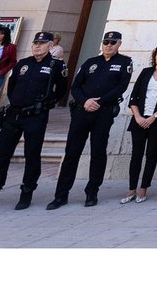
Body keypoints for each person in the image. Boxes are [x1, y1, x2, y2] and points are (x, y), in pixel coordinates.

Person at [0, 31, 68, 212]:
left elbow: (61, 89)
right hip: (14, 115)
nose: (37, 46)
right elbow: (12, 85)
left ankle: (26, 193)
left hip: (36, 116)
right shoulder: (23, 63)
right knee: (1, 155)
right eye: (35, 43)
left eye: (42, 43)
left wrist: (46, 104)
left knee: (32, 155)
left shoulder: (56, 65)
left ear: (50, 46)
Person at [47, 30, 133, 209]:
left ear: (119, 44)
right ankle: (61, 195)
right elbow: (76, 86)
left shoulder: (124, 63)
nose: (109, 45)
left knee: (98, 152)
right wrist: (85, 101)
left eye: (113, 42)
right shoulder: (90, 62)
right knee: (72, 153)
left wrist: (100, 102)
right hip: (82, 111)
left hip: (104, 112)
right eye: (106, 42)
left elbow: (121, 87)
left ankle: (92, 193)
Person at [122, 44, 157, 204]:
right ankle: (131, 188)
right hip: (139, 119)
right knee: (136, 154)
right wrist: (138, 117)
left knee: (151, 154)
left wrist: (154, 117)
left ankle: (143, 188)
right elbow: (133, 97)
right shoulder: (146, 72)